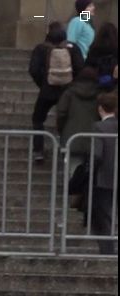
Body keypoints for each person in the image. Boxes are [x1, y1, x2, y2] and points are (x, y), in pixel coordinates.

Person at [30, 22, 84, 161]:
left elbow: (33, 70)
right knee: (66, 118)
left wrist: (43, 83)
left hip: (47, 91)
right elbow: (80, 68)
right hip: (67, 92)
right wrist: (71, 85)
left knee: (38, 119)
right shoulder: (73, 47)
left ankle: (38, 151)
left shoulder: (41, 49)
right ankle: (64, 147)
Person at [90, 91, 117, 254]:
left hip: (105, 177)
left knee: (106, 214)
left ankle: (108, 249)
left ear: (101, 108)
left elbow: (97, 154)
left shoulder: (98, 127)